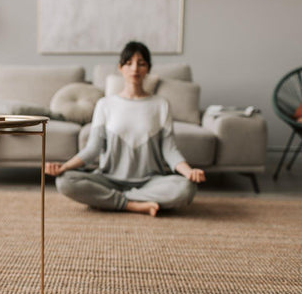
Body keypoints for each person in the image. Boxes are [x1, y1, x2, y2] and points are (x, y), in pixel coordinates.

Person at [45, 41, 205, 216]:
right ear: (120, 68)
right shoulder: (105, 104)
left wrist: (189, 172)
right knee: (65, 181)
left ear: (148, 69)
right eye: (129, 63)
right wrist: (64, 167)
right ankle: (133, 205)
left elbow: (170, 150)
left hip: (150, 182)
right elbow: (92, 150)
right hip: (108, 179)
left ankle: (111, 201)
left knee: (186, 188)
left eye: (141, 63)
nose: (135, 68)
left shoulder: (161, 105)